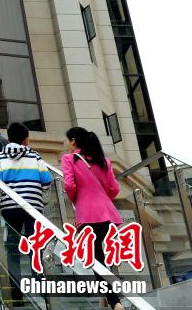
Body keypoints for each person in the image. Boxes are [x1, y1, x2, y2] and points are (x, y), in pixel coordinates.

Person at [0, 122, 53, 306]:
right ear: (26, 139)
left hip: (9, 208)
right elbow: (47, 179)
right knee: (35, 247)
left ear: (9, 138)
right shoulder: (34, 155)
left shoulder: (0, 156)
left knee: (12, 249)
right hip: (33, 208)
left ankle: (16, 293)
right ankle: (42, 290)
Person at [62, 126, 124, 310]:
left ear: (73, 141)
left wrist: (78, 200)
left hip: (87, 214)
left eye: (65, 140)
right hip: (107, 214)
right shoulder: (103, 160)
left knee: (96, 259)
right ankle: (107, 298)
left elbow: (69, 185)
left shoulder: (69, 158)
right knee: (99, 255)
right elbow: (115, 189)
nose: (64, 144)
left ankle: (115, 301)